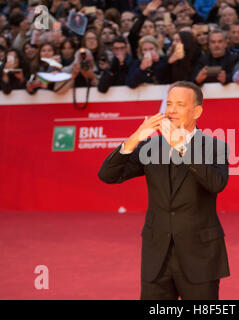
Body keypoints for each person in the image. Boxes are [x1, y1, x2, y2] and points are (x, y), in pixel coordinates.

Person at [97, 81, 230, 300]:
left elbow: (216, 183)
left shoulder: (215, 146)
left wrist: (181, 148)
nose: (171, 110)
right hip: (156, 256)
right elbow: (107, 175)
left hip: (199, 255)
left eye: (179, 104)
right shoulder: (151, 147)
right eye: (169, 104)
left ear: (196, 111)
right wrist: (135, 138)